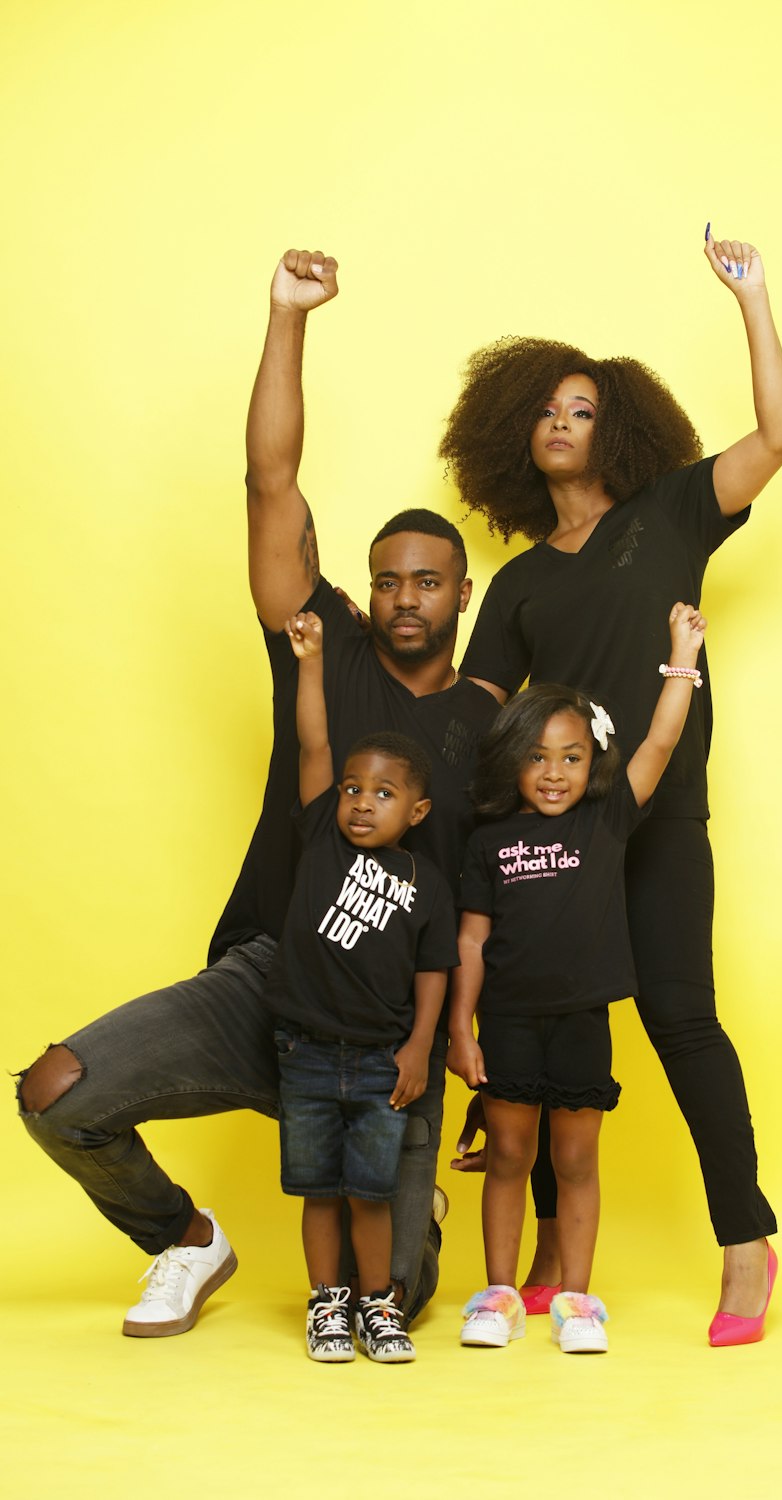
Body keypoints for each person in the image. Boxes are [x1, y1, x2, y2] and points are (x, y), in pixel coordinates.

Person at [16, 248, 497, 1337]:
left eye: (428, 581)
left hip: (383, 1032)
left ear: (463, 593)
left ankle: (406, 1208)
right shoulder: (326, 648)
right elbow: (271, 485)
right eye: (387, 578)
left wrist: (477, 1060)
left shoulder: (486, 721)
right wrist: (288, 317)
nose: (404, 597)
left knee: (401, 1299)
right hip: (270, 981)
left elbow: (486, 904)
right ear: (364, 587)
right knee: (56, 1095)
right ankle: (186, 1243)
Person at [440, 230, 782, 1346]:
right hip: (559, 835)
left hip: (657, 812)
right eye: (545, 409)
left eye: (582, 409)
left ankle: (745, 1241)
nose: (560, 422)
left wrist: (752, 296)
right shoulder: (519, 579)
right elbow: (473, 712)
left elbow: (780, 435)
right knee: (544, 1021)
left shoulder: (674, 513)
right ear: (516, 434)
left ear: (617, 429)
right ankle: (551, 1251)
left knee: (680, 1017)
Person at [450, 604, 706, 1355]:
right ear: (512, 762)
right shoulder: (489, 838)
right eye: (536, 757)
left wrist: (681, 656)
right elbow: (470, 938)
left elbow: (661, 739)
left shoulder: (607, 821)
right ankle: (497, 1295)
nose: (554, 773)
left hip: (582, 1021)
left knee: (575, 1163)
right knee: (507, 1157)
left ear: (593, 761)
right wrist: (461, 1031)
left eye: (569, 756)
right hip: (506, 1024)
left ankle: (576, 1302)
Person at [270, 610, 458, 1362]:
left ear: (415, 812)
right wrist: (310, 661)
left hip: (384, 1059)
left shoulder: (427, 883)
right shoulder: (319, 833)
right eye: (353, 787)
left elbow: (434, 971)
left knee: (370, 1192)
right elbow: (313, 740)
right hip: (306, 1051)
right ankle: (328, 1304)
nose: (358, 802)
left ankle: (379, 1305)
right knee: (319, 1189)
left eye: (382, 794)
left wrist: (419, 1049)